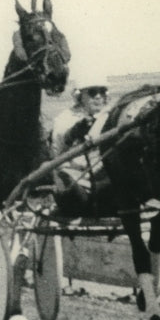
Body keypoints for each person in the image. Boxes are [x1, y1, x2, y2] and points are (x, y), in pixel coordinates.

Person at [50, 77, 111, 216]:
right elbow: (57, 154)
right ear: (79, 96)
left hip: (102, 178)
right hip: (76, 179)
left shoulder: (109, 117)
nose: (98, 96)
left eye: (102, 92)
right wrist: (73, 134)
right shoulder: (64, 119)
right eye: (92, 92)